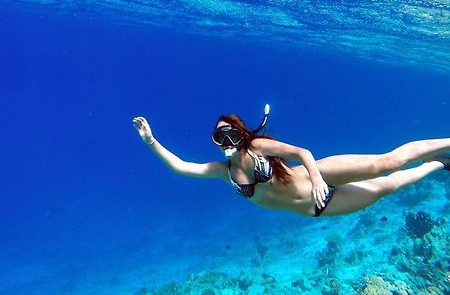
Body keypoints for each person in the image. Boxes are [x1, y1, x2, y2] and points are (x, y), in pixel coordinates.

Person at [132, 105, 449, 217]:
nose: (226, 143)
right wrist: (150, 141)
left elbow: (303, 153)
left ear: (241, 134)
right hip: (315, 207)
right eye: (219, 138)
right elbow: (179, 166)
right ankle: (438, 165)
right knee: (386, 187)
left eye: (229, 134)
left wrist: (317, 179)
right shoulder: (223, 172)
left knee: (386, 163)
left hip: (319, 177)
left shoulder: (257, 146)